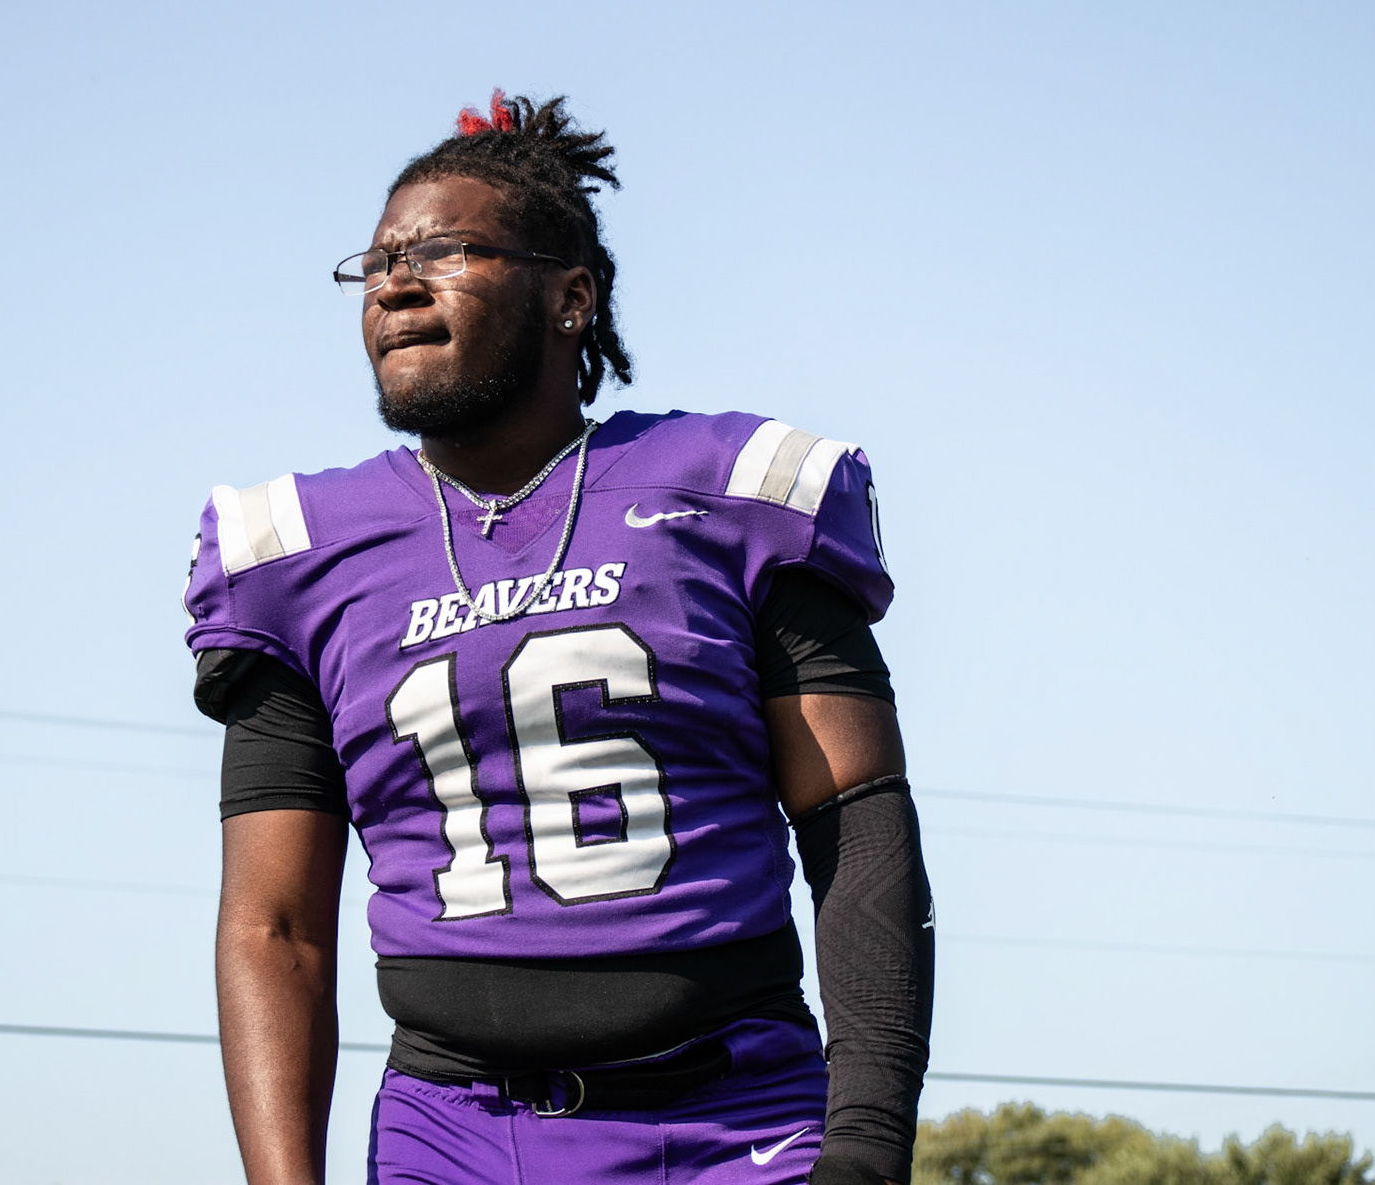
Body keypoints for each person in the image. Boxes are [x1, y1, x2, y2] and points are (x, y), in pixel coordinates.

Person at [183, 91, 933, 1185]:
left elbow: (858, 831)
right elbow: (276, 923)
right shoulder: (296, 555)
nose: (395, 284)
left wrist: (865, 1147)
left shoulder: (732, 494)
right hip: (455, 1135)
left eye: (443, 252)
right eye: (377, 263)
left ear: (571, 296)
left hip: (733, 1122)